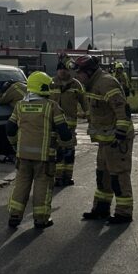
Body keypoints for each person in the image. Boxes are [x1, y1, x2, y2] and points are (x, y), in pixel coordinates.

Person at [72, 54, 134, 224]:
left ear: (89, 72)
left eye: (79, 73)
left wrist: (120, 134)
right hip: (106, 139)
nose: (77, 77)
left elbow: (122, 110)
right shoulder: (92, 85)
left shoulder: (106, 83)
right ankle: (101, 208)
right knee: (103, 174)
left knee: (118, 175)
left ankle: (124, 212)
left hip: (117, 139)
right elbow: (100, 111)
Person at [5, 71, 71, 229]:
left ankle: (14, 215)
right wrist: (65, 147)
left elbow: (10, 129)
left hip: (23, 156)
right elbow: (64, 132)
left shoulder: (20, 105)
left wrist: (15, 146)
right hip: (44, 157)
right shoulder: (51, 106)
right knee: (43, 185)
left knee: (21, 184)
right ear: (43, 87)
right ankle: (41, 219)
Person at [50, 58, 87, 186]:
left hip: (70, 126)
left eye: (64, 69)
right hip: (54, 126)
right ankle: (58, 177)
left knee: (69, 152)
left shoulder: (76, 85)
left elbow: (85, 102)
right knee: (57, 152)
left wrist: (89, 115)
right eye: (59, 69)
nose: (62, 71)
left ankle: (68, 177)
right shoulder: (51, 83)